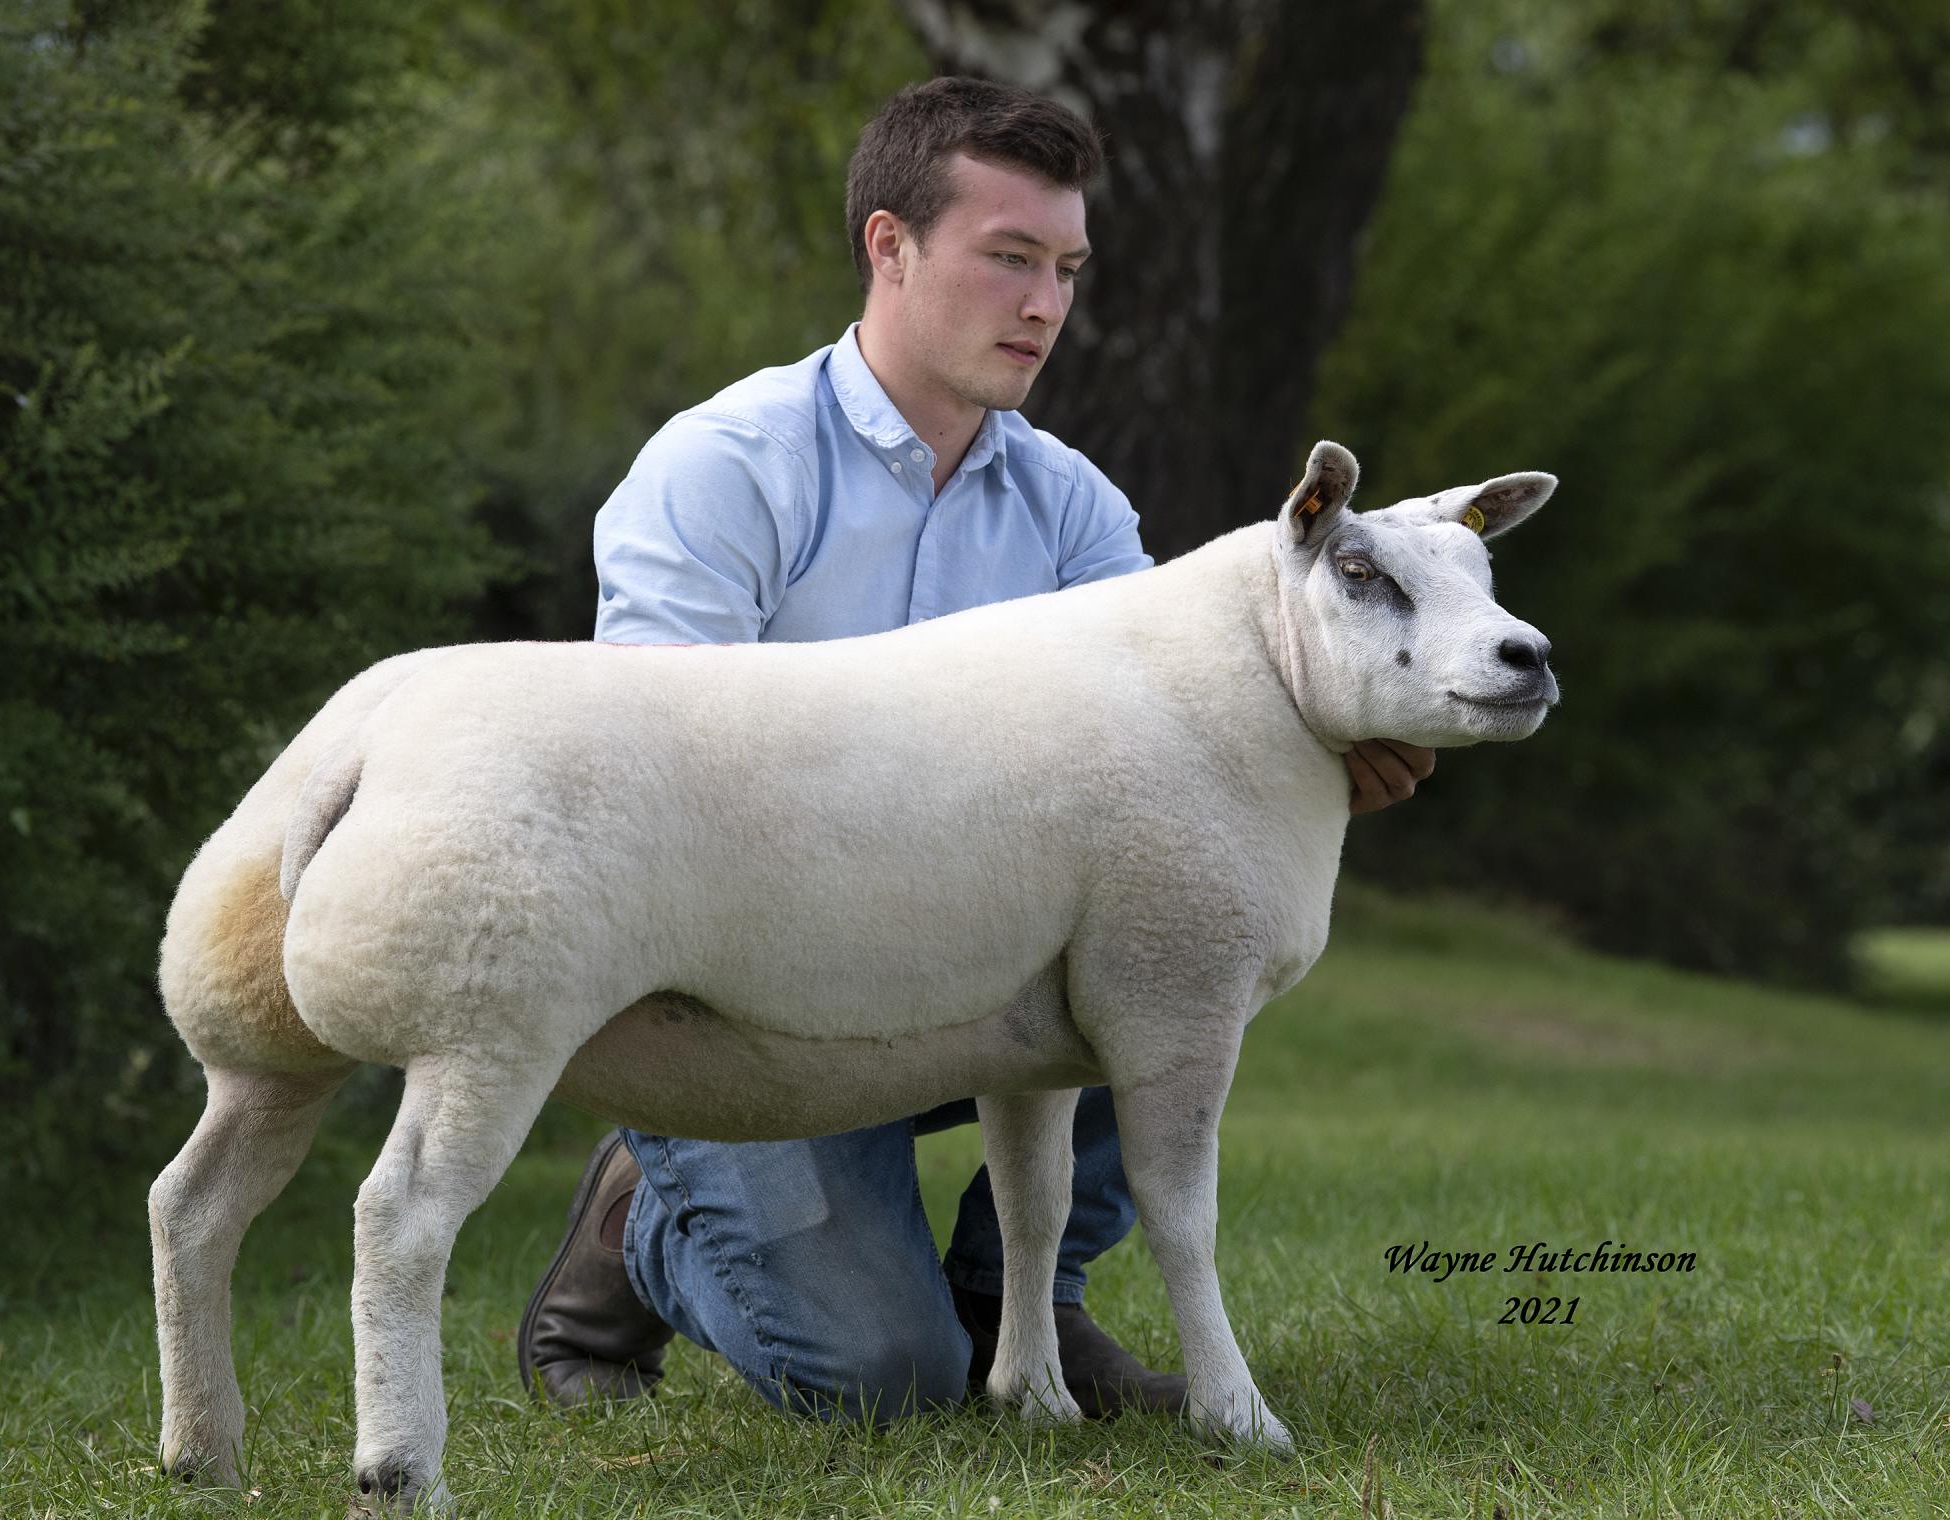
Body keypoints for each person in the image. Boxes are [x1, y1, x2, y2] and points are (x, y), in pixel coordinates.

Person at [518, 76, 1434, 1426]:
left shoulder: (1074, 510)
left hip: (966, 979)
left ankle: (1025, 1295)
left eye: (1065, 268)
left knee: (1188, 924)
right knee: (879, 1381)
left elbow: (1176, 767)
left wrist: (1319, 751)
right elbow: (661, 778)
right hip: (741, 1010)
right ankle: (640, 1224)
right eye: (1009, 258)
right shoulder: (722, 469)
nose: (1047, 304)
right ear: (889, 246)